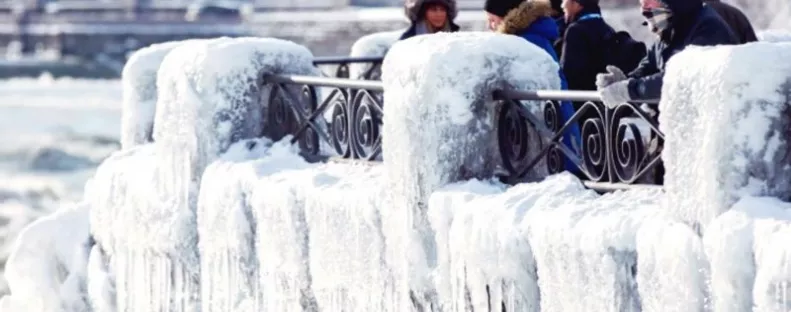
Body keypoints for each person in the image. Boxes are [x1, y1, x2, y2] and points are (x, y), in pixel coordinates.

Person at [485, 0, 582, 173]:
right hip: (550, 119)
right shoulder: (528, 35)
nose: (490, 26)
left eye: (493, 20)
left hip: (549, 122)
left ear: (508, 17)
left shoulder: (526, 41)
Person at [596, 0, 737, 108]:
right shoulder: (670, 28)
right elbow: (649, 66)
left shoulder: (707, 27)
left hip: (707, 133)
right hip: (676, 132)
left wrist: (631, 89)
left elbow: (681, 80)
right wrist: (625, 80)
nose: (643, 6)